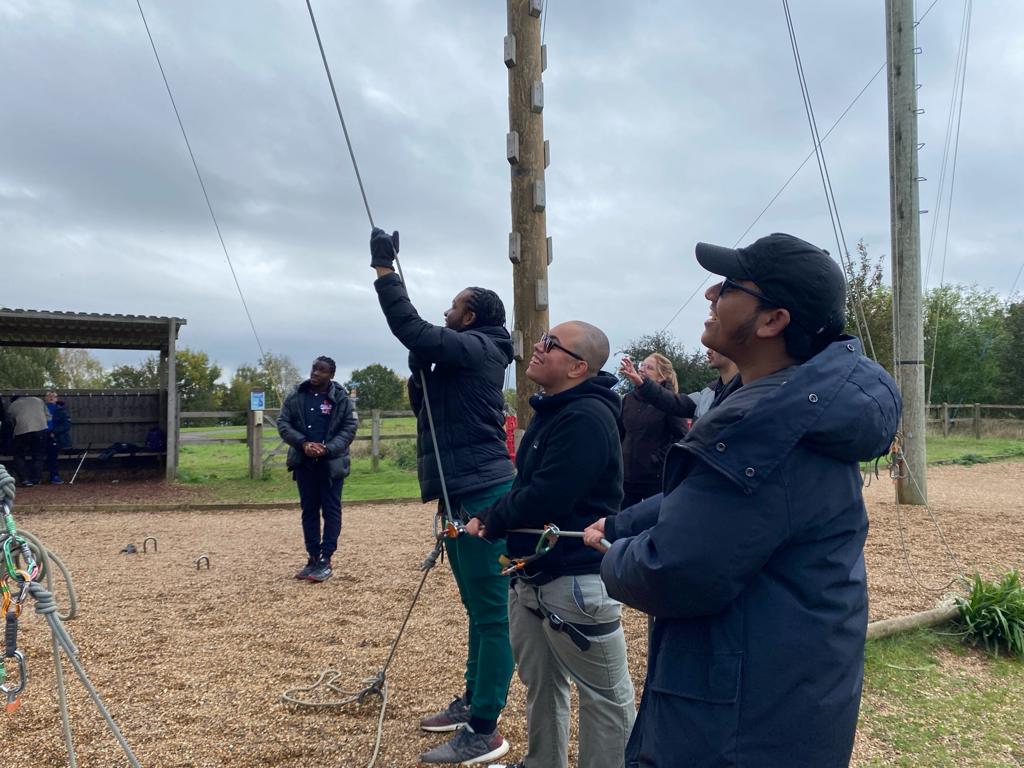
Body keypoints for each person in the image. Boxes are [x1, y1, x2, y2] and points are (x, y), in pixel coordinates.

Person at [586, 233, 901, 767]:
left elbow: (675, 571)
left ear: (772, 321)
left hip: (739, 723)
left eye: (729, 286)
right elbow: (706, 501)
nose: (710, 294)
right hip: (785, 690)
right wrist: (622, 522)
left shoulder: (769, 427)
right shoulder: (789, 406)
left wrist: (612, 555)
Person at [370, 227, 516, 766]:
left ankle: (485, 727)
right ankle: (473, 700)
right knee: (477, 609)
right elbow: (426, 375)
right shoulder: (470, 352)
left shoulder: (479, 348)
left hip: (482, 491)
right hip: (460, 493)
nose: (446, 311)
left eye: (454, 307)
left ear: (471, 317)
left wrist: (386, 270)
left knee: (491, 612)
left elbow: (413, 328)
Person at [465, 321, 637, 768]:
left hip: (576, 581)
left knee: (606, 698)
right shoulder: (555, 410)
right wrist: (492, 514)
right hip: (535, 575)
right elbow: (528, 483)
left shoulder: (586, 417)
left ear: (578, 366)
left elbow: (548, 495)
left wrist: (491, 517)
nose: (536, 350)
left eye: (549, 344)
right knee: (542, 685)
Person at [277, 356, 358, 584]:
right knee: (309, 510)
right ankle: (312, 557)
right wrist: (303, 443)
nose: (315, 373)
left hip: (331, 464)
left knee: (331, 511)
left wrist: (328, 449)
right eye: (314, 368)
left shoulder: (341, 398)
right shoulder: (296, 394)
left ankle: (326, 559)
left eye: (321, 371)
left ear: (331, 375)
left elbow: (350, 427)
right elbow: (283, 423)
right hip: (304, 462)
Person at [618, 353, 687, 508]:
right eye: (642, 365)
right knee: (623, 523)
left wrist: (657, 459)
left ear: (661, 377)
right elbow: (620, 433)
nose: (642, 369)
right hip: (627, 477)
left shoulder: (669, 402)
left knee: (651, 523)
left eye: (649, 368)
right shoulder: (628, 399)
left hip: (655, 479)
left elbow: (681, 437)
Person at [7, 395, 49, 487]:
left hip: (22, 431)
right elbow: (48, 417)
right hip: (40, 429)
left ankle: (25, 480)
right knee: (38, 454)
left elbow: (11, 422)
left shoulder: (12, 405)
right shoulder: (38, 400)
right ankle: (36, 479)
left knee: (19, 455)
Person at [688, 349, 739, 418]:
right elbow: (680, 402)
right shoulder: (710, 391)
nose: (708, 352)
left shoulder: (749, 391)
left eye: (714, 347)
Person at [44, 391, 72, 484]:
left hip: (55, 437)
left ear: (57, 398)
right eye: (49, 396)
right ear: (45, 398)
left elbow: (66, 424)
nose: (51, 398)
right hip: (41, 435)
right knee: (38, 455)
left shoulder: (61, 410)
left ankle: (54, 476)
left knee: (52, 455)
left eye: (54, 396)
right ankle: (36, 478)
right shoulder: (41, 409)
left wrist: (54, 432)